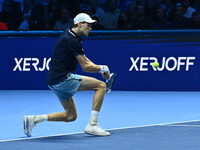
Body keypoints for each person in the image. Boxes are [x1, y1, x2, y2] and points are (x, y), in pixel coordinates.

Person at [23, 13, 111, 137]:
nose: (90, 28)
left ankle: (34, 120)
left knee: (70, 116)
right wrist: (103, 68)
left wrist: (100, 69)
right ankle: (93, 124)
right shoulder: (71, 39)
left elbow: (85, 59)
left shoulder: (71, 35)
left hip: (53, 81)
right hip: (63, 79)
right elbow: (86, 67)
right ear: (79, 24)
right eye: (88, 25)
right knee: (101, 86)